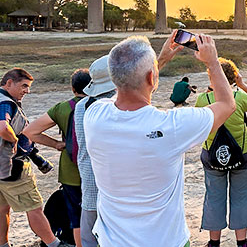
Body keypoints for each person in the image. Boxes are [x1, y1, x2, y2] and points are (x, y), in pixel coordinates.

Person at [84, 32, 236, 247]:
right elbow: (227, 104)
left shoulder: (95, 116)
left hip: (111, 241)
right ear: (151, 77)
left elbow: (130, 88)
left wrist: (159, 61)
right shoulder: (172, 128)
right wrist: (212, 61)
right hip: (165, 241)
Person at [196, 58, 247, 247]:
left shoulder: (202, 100)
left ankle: (214, 242)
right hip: (242, 153)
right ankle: (242, 243)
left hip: (212, 156)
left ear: (212, 77)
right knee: (242, 196)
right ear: (234, 78)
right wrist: (241, 85)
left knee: (214, 196)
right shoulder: (239, 97)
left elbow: (199, 127)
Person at [0, 68, 73, 247]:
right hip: (12, 167)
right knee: (35, 208)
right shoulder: (5, 103)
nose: (27, 91)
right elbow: (3, 127)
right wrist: (14, 139)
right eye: (24, 86)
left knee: (2, 209)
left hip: (1, 168)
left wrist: (55, 144)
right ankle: (54, 244)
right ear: (9, 83)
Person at [23, 69, 92, 247]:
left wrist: (56, 144)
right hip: (97, 168)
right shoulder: (101, 105)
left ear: (72, 88)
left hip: (70, 170)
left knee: (77, 216)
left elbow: (31, 132)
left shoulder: (62, 108)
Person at [74, 55, 117, 247]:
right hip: (116, 189)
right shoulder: (119, 106)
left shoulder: (81, 106)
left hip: (89, 183)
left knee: (89, 238)